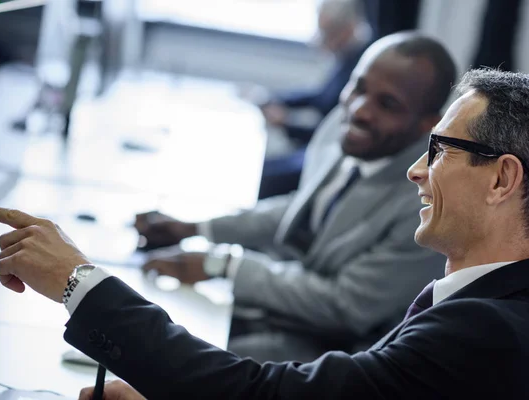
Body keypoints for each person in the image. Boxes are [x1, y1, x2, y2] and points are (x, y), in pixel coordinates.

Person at [0, 67, 529, 399]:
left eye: (438, 151)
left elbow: (270, 395)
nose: (415, 171)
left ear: (502, 178)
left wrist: (78, 283)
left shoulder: (487, 330)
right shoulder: (484, 305)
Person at [133, 32, 456, 362]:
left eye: (387, 104)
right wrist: (197, 229)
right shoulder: (342, 127)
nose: (360, 110)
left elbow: (345, 306)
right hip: (276, 310)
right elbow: (302, 207)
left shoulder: (426, 202)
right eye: (358, 87)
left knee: (164, 359)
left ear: (427, 124)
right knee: (148, 321)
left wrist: (224, 265)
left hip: (328, 353)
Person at [256, 0, 373, 198]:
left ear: (349, 28)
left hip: (333, 155)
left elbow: (335, 133)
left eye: (328, 32)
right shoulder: (346, 57)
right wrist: (277, 99)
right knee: (266, 166)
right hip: (322, 146)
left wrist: (286, 124)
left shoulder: (361, 65)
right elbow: (321, 97)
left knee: (270, 176)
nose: (322, 40)